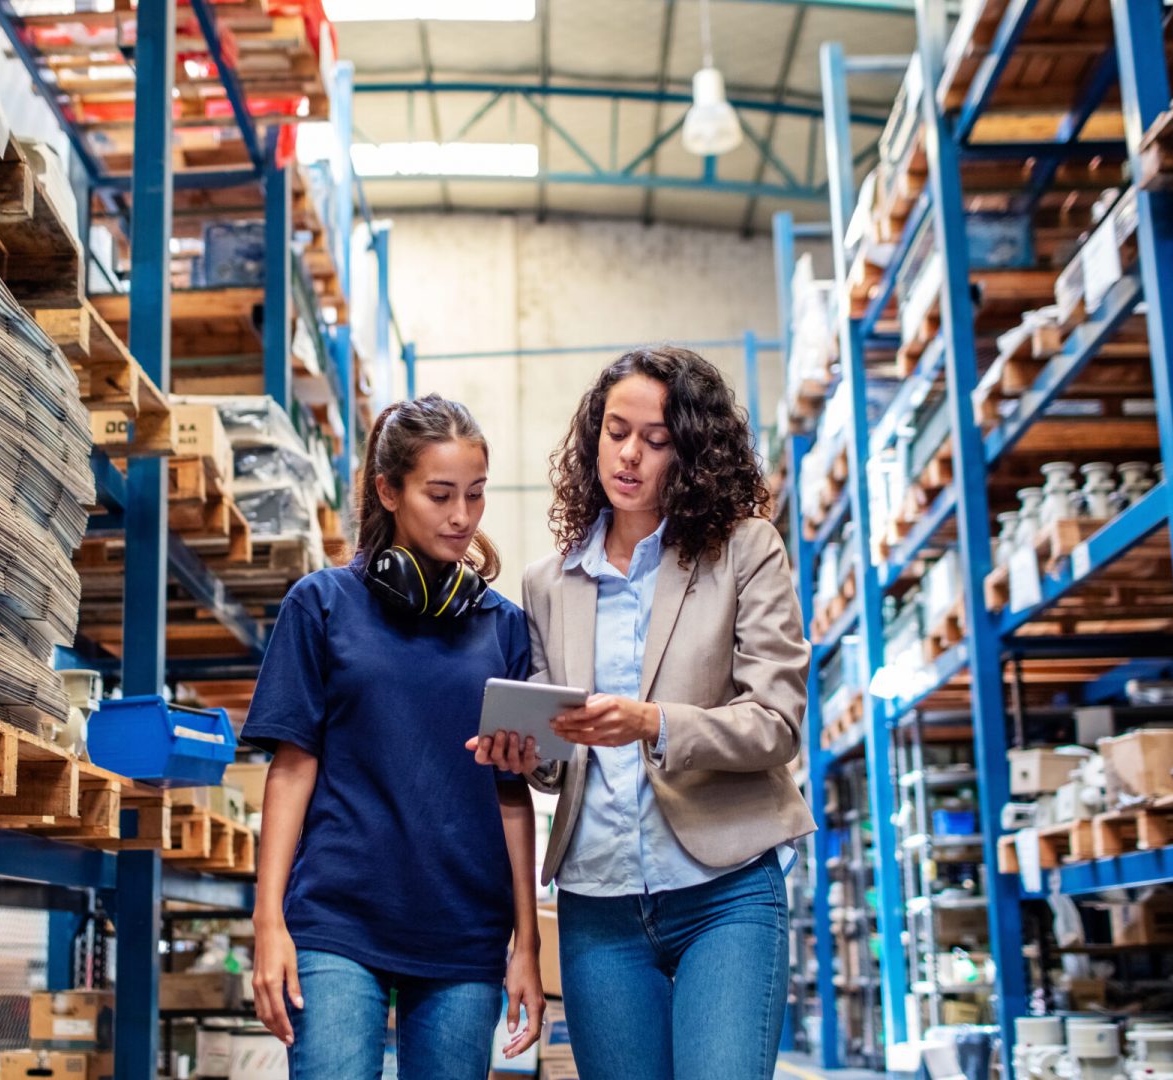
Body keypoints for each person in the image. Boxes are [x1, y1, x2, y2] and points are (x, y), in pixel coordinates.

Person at [470, 346, 814, 1080]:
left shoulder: (745, 551)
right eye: (615, 431)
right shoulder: (549, 584)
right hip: (599, 903)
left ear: (689, 455)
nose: (629, 455)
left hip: (724, 890)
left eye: (655, 441)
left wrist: (654, 723)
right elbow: (560, 770)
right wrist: (529, 755)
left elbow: (777, 722)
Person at [243, 395, 546, 1079]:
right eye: (440, 495)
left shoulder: (504, 629)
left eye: (475, 495)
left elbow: (512, 793)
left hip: (464, 930)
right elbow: (292, 770)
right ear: (388, 490)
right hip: (337, 922)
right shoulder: (321, 605)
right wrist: (269, 923)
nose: (462, 516)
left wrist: (526, 942)